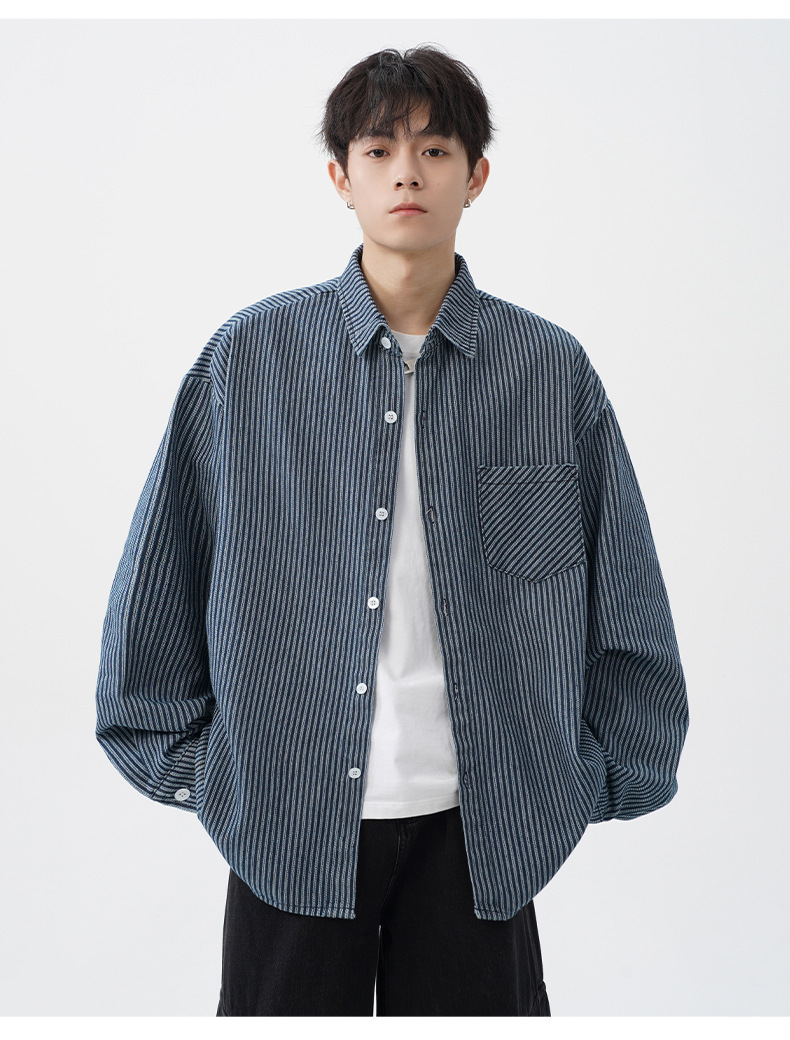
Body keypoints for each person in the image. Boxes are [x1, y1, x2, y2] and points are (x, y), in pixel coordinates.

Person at [94, 44, 689, 1017]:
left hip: (484, 828)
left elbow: (623, 589)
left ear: (476, 175)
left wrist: (586, 776)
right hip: (288, 823)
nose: (406, 173)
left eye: (435, 149)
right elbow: (161, 578)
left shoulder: (548, 372)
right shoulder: (248, 362)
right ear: (341, 177)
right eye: (378, 150)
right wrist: (215, 772)